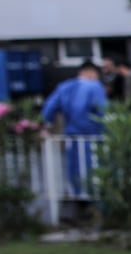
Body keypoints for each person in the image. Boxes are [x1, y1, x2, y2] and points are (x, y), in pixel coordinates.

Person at [41, 60, 109, 199]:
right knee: (93, 166)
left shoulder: (64, 86)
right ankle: (93, 197)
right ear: (92, 73)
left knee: (74, 167)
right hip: (92, 134)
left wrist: (47, 125)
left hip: (71, 134)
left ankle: (77, 195)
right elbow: (103, 111)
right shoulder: (95, 87)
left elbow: (49, 108)